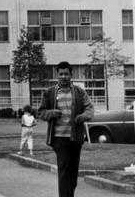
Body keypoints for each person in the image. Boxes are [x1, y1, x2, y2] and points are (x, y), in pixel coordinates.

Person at [38, 61, 95, 197]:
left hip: (75, 137)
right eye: (61, 74)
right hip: (58, 139)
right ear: (57, 75)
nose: (63, 76)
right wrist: (52, 113)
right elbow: (41, 112)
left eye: (66, 74)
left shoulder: (79, 92)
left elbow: (90, 108)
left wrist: (82, 116)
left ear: (71, 75)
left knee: (73, 172)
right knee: (63, 169)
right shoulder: (50, 92)